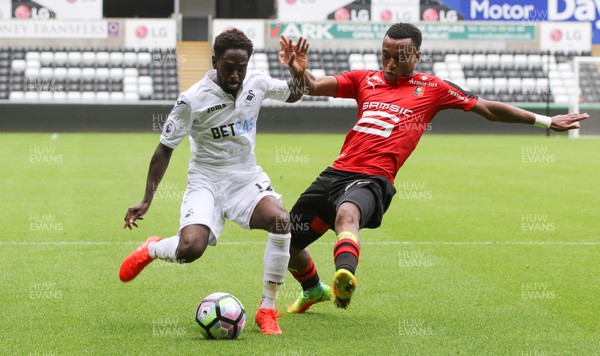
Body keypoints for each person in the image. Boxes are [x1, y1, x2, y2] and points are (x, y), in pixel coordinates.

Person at [279, 23, 589, 312]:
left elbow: (487, 109)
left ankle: (345, 276)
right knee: (286, 242)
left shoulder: (432, 87)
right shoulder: (364, 79)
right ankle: (313, 289)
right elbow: (313, 86)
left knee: (348, 215)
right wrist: (298, 71)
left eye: (399, 59)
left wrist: (547, 121)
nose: (389, 65)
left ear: (416, 56)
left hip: (373, 179)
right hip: (336, 173)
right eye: (385, 56)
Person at [119, 29, 308, 335]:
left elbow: (294, 93)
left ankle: (267, 309)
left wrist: (297, 73)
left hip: (245, 178)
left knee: (281, 221)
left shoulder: (257, 82)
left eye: (241, 68)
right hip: (206, 180)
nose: (235, 75)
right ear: (214, 61)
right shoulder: (192, 100)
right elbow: (163, 151)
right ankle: (152, 249)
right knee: (191, 249)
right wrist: (147, 199)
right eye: (228, 67)